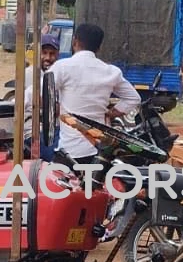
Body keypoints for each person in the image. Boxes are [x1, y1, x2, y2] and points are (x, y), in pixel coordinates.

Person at [49, 23, 140, 166]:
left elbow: (43, 96)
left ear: (75, 41)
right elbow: (134, 98)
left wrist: (59, 110)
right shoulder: (110, 71)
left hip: (69, 152)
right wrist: (110, 114)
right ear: (99, 47)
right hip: (97, 151)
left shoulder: (62, 67)